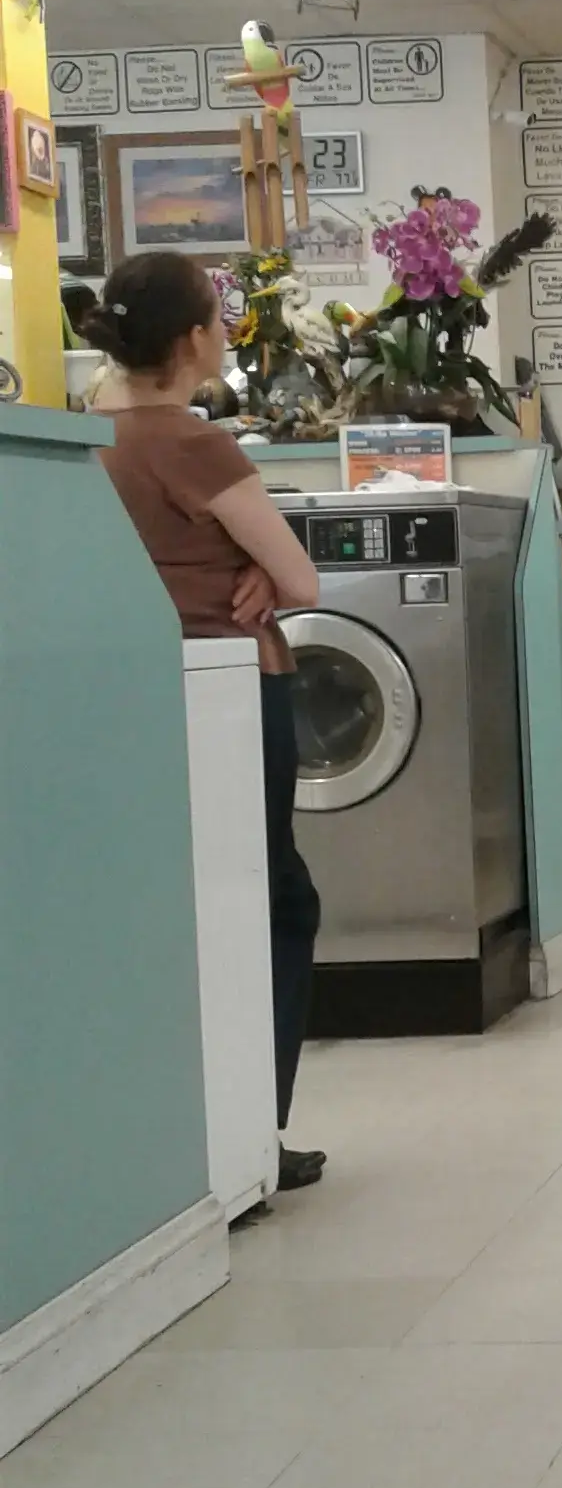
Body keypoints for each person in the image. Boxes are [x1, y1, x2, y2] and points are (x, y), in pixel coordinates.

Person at [84, 252, 328, 1192]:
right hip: (228, 687)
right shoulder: (193, 444)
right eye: (219, 321)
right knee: (271, 904)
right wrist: (263, 572)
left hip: (128, 692)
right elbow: (300, 580)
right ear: (192, 340)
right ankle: (250, 1134)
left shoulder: (79, 439)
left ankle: (174, 1130)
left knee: (170, 907)